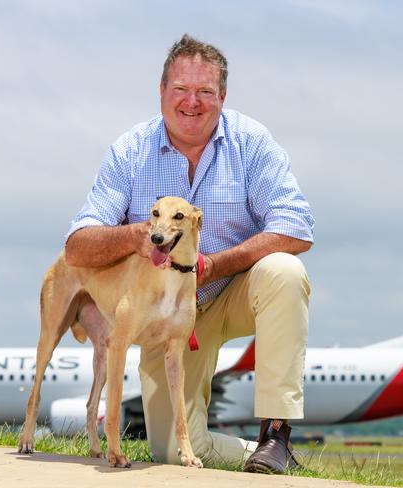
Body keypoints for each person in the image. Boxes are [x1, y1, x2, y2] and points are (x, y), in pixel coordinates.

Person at [64, 34, 314, 474]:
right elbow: (77, 245)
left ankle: (275, 435)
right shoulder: (130, 151)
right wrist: (137, 235)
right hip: (164, 314)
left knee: (284, 271)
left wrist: (216, 265)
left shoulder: (251, 142)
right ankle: (262, 459)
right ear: (161, 92)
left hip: (228, 291)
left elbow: (296, 225)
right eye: (180, 90)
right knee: (170, 452)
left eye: (204, 92)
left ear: (223, 96)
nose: (192, 102)